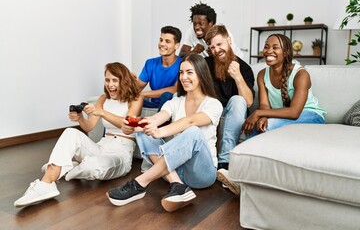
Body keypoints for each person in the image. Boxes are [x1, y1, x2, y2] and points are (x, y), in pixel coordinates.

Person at [14, 62, 143, 208]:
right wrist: (80, 119)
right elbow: (90, 126)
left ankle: (62, 167)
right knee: (70, 132)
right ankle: (46, 184)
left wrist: (102, 112)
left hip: (121, 152)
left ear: (123, 80)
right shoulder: (103, 98)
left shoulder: (136, 98)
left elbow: (128, 124)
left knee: (94, 166)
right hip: (101, 146)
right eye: (107, 80)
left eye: (115, 80)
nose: (110, 84)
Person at [106, 54, 223, 212]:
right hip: (176, 170)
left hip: (201, 174)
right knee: (143, 131)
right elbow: (155, 119)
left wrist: (161, 131)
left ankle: (139, 183)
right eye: (181, 73)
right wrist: (135, 126)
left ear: (201, 74)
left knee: (193, 131)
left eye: (189, 72)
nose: (184, 77)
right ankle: (178, 185)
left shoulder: (214, 104)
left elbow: (191, 121)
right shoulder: (176, 101)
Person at [219, 34, 327, 195]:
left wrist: (260, 114)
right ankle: (244, 179)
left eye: (275, 47)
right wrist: (262, 116)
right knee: (258, 127)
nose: (269, 51)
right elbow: (264, 104)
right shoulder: (263, 74)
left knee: (268, 126)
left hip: (311, 116)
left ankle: (239, 177)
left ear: (286, 52)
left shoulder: (300, 75)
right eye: (266, 46)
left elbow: (294, 111)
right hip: (281, 117)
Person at [204, 24, 255, 172]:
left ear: (229, 41)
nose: (216, 50)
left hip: (231, 112)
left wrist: (237, 77)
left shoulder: (244, 68)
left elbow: (249, 101)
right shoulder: (206, 64)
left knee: (238, 100)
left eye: (219, 44)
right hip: (211, 110)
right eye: (212, 47)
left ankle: (224, 163)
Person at [137, 26, 182, 111]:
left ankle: (158, 122)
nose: (162, 44)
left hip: (173, 106)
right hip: (153, 104)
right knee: (131, 98)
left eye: (167, 41)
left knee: (167, 95)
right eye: (161, 40)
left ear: (176, 45)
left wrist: (144, 94)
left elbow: (175, 89)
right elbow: (137, 88)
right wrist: (127, 81)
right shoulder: (150, 63)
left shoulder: (183, 64)